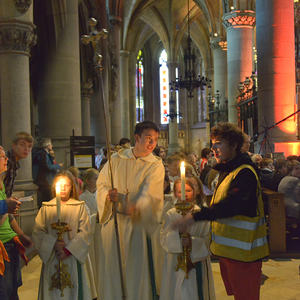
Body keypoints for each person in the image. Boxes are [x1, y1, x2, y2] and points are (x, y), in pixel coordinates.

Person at [172, 122, 269, 300]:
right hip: (230, 251)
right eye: (213, 144)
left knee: (246, 296)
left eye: (219, 143)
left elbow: (231, 205)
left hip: (245, 254)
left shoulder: (245, 172)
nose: (214, 148)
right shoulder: (229, 169)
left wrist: (195, 217)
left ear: (234, 145)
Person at [96, 120, 165, 300]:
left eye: (155, 140)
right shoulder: (116, 159)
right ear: (137, 137)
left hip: (137, 226)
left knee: (137, 272)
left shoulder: (155, 164)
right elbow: (101, 184)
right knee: (114, 270)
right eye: (148, 138)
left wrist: (135, 205)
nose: (152, 144)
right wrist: (107, 195)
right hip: (114, 223)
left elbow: (151, 193)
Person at [32, 171, 91, 300]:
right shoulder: (46, 208)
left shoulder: (79, 207)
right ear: (54, 187)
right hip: (53, 256)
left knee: (73, 290)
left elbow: (85, 232)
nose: (63, 188)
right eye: (60, 185)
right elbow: (38, 232)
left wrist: (68, 250)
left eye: (67, 185)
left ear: (72, 187)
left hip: (72, 257)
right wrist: (53, 244)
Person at [160, 178, 215, 300]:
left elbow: (207, 239)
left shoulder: (201, 213)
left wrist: (193, 242)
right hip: (175, 262)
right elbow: (163, 238)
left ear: (195, 192)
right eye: (180, 191)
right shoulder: (170, 214)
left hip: (196, 262)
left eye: (188, 190)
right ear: (175, 194)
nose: (184, 194)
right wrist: (176, 236)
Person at [0, 146, 33, 299]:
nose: (6, 159)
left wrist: (21, 234)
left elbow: (9, 216)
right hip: (2, 247)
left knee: (13, 290)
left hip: (10, 242)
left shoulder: (1, 185)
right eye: (2, 157)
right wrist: (6, 207)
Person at [33, 138, 63, 206]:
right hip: (45, 180)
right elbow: (47, 166)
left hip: (46, 180)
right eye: (51, 144)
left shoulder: (45, 154)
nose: (52, 146)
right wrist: (58, 166)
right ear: (47, 145)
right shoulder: (43, 154)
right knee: (47, 199)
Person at [4, 132, 34, 198]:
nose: (26, 149)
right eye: (22, 145)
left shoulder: (15, 163)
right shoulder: (5, 161)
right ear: (14, 145)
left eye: (29, 146)